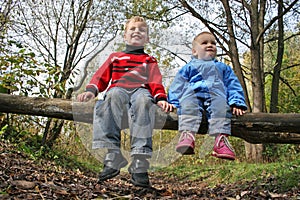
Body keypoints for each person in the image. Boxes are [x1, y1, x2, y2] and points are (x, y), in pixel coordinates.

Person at [77, 16, 173, 187]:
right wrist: (91, 91)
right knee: (110, 96)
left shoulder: (149, 60)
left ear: (147, 38)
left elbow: (155, 82)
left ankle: (139, 160)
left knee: (144, 101)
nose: (137, 32)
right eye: (133, 29)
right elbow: (101, 76)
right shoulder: (115, 57)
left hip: (141, 90)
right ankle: (113, 154)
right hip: (118, 88)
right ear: (125, 36)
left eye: (142, 30)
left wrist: (161, 99)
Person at [168, 31, 247, 160]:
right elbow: (177, 85)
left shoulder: (222, 67)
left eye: (213, 43)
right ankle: (187, 136)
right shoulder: (188, 68)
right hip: (193, 95)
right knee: (188, 105)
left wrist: (236, 102)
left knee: (221, 107)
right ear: (194, 51)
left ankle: (221, 141)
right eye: (204, 43)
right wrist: (173, 102)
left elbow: (233, 84)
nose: (210, 45)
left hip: (216, 95)